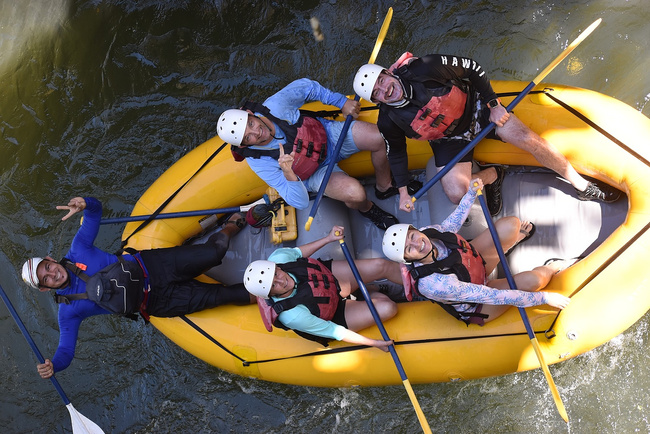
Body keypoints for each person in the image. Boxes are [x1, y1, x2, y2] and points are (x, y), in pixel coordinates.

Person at [353, 53, 621, 215]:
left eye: (382, 81)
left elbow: (473, 68)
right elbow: (396, 152)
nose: (385, 90)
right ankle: (493, 174)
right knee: (457, 193)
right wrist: (401, 191)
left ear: (389, 73)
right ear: (376, 101)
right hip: (447, 139)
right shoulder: (388, 120)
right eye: (376, 93)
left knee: (527, 139)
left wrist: (493, 105)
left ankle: (581, 185)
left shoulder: (426, 67)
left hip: (478, 108)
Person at [21, 196, 253, 379]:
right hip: (156, 302)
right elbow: (66, 351)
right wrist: (54, 365)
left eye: (48, 268)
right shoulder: (68, 311)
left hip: (154, 265)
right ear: (44, 289)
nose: (53, 274)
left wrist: (85, 203)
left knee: (215, 253)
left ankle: (231, 225)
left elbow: (95, 213)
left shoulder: (78, 248)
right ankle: (272, 294)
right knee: (224, 296)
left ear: (50, 259)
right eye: (46, 279)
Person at [217, 78, 420, 230]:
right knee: (355, 194)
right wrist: (289, 174)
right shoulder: (258, 161)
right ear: (243, 145)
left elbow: (307, 86)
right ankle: (368, 208)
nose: (256, 132)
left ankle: (384, 186)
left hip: (328, 135)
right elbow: (300, 202)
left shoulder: (275, 106)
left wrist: (341, 102)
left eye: (250, 124)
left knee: (379, 138)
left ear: (251, 115)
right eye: (248, 137)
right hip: (315, 173)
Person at [381, 179, 572, 325]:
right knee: (535, 281)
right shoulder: (435, 285)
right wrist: (544, 298)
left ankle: (507, 246)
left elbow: (450, 225)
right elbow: (492, 296)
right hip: (479, 303)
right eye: (409, 249)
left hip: (473, 265)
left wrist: (471, 193)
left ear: (415, 230)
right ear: (407, 259)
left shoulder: (425, 233)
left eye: (412, 236)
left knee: (510, 225)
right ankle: (552, 266)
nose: (417, 244)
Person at [243, 225, 400, 350]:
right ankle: (370, 290)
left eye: (276, 274)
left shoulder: (279, 258)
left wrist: (328, 238)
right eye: (274, 286)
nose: (281, 281)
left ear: (277, 267)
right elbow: (335, 331)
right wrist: (374, 344)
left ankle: (414, 283)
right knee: (388, 308)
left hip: (327, 279)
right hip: (332, 313)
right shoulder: (293, 315)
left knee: (381, 265)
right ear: (270, 294)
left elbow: (299, 253)